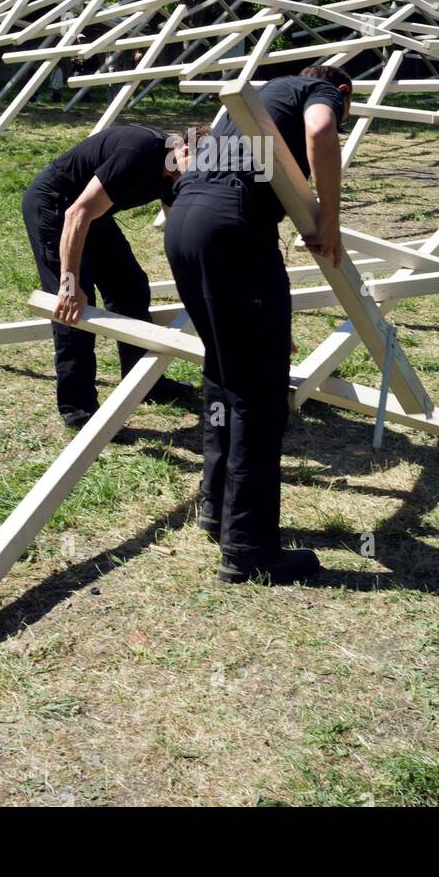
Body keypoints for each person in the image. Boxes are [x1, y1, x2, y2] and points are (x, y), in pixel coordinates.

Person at [164, 65, 352, 586]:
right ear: (343, 91)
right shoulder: (319, 92)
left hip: (186, 222)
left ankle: (217, 507)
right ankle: (249, 549)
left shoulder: (260, 97)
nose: (343, 119)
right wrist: (329, 221)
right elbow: (319, 131)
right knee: (260, 393)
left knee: (224, 374)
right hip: (235, 231)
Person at [22, 125, 197, 427]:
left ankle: (143, 381)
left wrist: (194, 279)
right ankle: (77, 407)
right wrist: (69, 283)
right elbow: (76, 214)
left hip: (92, 214)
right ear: (182, 149)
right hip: (57, 206)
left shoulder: (178, 172)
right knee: (74, 305)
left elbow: (177, 230)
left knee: (130, 287)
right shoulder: (139, 151)